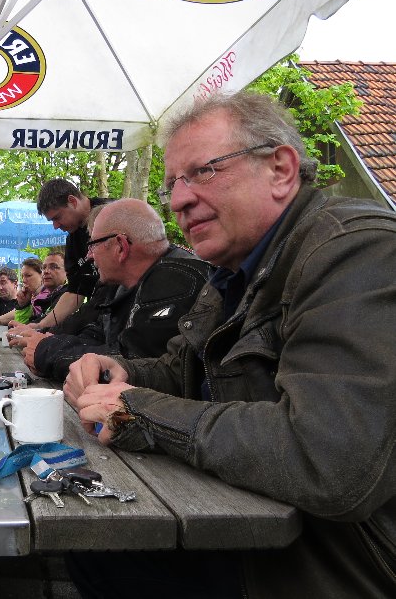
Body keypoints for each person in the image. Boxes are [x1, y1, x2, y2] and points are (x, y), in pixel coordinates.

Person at [64, 91, 396, 598]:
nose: (178, 200)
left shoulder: (358, 252)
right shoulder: (233, 272)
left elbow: (329, 461)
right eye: (172, 184)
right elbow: (181, 370)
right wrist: (117, 371)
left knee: (101, 548)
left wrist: (139, 411)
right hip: (260, 531)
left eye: (203, 171)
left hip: (333, 566)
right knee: (91, 546)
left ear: (280, 170)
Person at [24, 198, 211, 381]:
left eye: (93, 245)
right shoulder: (122, 283)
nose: (89, 256)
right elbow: (98, 334)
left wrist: (46, 352)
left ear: (121, 247)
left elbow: (135, 359)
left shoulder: (176, 279)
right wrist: (48, 342)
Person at [34, 179, 112, 329]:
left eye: (57, 217)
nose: (55, 226)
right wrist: (39, 326)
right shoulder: (73, 239)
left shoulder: (114, 213)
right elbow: (75, 292)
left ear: (72, 201)